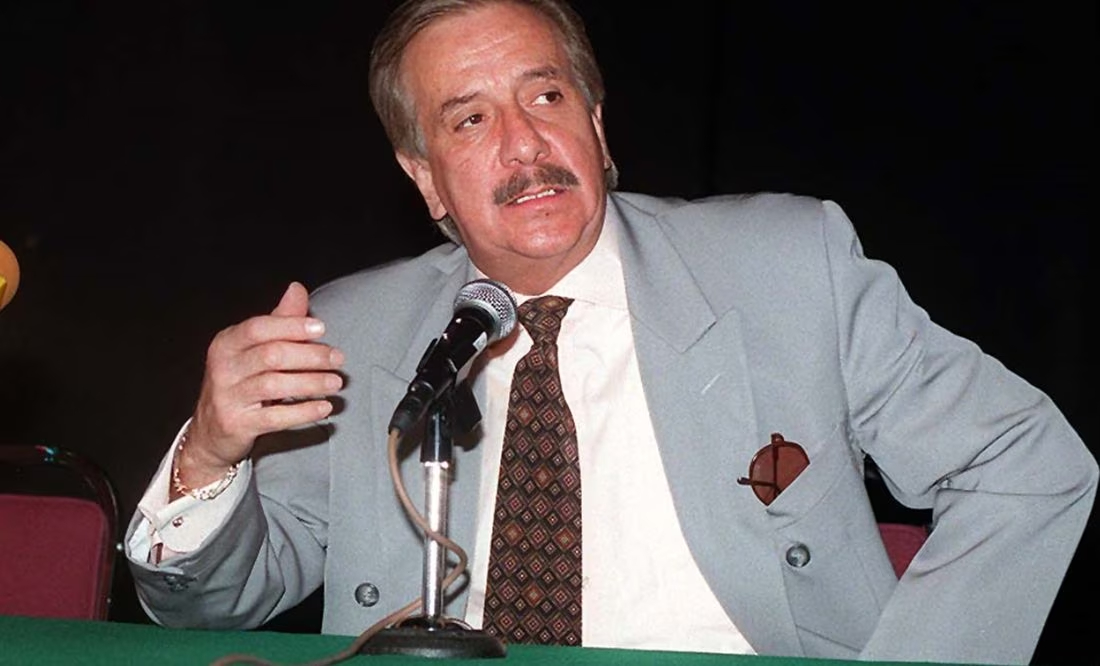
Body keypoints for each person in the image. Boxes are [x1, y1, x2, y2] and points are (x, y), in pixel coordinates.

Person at [125, 1, 1096, 664]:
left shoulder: (788, 268)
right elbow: (215, 608)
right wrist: (210, 453)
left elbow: (1024, 463)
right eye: (469, 120)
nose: (523, 144)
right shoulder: (353, 330)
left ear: (595, 122)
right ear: (424, 177)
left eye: (545, 96)